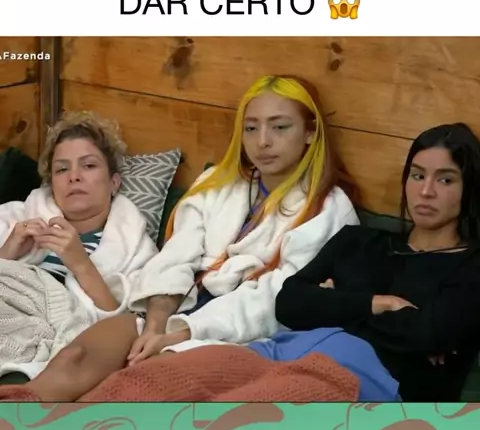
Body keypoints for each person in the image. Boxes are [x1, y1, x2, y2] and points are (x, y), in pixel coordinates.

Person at [12, 74, 359, 401]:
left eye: (280, 127)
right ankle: (15, 415)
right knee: (75, 357)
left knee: (139, 382)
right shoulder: (218, 185)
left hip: (240, 333)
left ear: (310, 132)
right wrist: (155, 327)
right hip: (175, 312)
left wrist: (180, 334)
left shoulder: (328, 209)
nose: (263, 141)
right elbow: (176, 258)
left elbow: (276, 297)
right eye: (251, 128)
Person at [266, 122, 480, 402]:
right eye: (417, 176)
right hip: (280, 354)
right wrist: (380, 304)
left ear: (470, 188)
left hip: (364, 392)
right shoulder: (357, 241)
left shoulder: (470, 266)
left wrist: (331, 304)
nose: (426, 191)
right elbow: (288, 303)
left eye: (445, 180)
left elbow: (430, 334)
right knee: (207, 369)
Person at [0, 111, 157, 379]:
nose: (74, 176)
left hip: (62, 332)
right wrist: (7, 254)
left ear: (114, 182)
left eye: (89, 166)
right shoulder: (14, 218)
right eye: (62, 169)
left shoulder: (135, 247)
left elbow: (126, 327)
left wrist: (81, 263)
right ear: (52, 184)